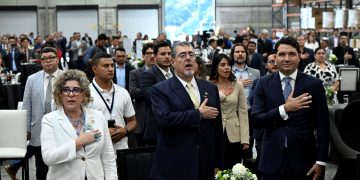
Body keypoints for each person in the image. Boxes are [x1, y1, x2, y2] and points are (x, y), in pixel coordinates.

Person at [252, 37, 329, 180]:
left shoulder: (314, 84)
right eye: (282, 54)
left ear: (299, 57)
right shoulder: (263, 83)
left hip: (305, 162)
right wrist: (285, 109)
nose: (286, 59)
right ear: (275, 58)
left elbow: (323, 125)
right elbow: (256, 120)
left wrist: (321, 161)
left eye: (292, 54)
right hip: (271, 160)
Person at [150, 41, 223, 179]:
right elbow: (164, 119)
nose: (188, 58)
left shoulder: (210, 88)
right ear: (172, 62)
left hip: (205, 164)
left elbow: (217, 130)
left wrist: (217, 162)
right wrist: (198, 114)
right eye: (182, 55)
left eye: (191, 54)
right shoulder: (160, 90)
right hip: (175, 163)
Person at [41, 70, 117, 180]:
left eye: (76, 90)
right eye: (66, 90)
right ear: (59, 94)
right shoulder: (49, 120)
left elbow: (108, 156)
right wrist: (79, 142)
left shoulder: (98, 116)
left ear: (84, 94)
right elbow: (48, 157)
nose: (71, 94)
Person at [5, 46, 63, 180]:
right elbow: (27, 105)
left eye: (51, 58)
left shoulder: (66, 77)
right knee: (41, 167)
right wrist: (26, 128)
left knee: (60, 166)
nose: (47, 61)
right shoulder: (32, 79)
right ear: (40, 62)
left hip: (61, 126)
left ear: (57, 59)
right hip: (38, 128)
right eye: (44, 59)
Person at [89, 53, 137, 150]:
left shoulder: (123, 92)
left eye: (112, 65)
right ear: (95, 69)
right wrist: (103, 133)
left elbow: (132, 121)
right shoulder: (85, 94)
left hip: (121, 149)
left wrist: (125, 130)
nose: (111, 69)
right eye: (106, 66)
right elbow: (78, 125)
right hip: (96, 150)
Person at [209, 53, 249, 169]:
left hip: (234, 135)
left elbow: (243, 112)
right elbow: (207, 106)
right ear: (216, 67)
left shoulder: (238, 85)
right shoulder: (208, 85)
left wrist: (245, 138)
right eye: (222, 65)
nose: (227, 67)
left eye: (228, 65)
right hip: (215, 133)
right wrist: (221, 95)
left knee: (232, 169)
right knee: (216, 169)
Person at [140, 41, 173, 146]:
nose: (167, 57)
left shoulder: (176, 72)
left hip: (177, 126)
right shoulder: (148, 75)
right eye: (163, 54)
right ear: (154, 56)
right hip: (157, 129)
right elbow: (154, 100)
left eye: (169, 53)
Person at [129, 43, 156, 147]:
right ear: (143, 56)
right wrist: (150, 88)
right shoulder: (135, 73)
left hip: (158, 118)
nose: (152, 56)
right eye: (149, 53)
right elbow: (132, 92)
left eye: (154, 53)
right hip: (141, 119)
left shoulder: (163, 73)